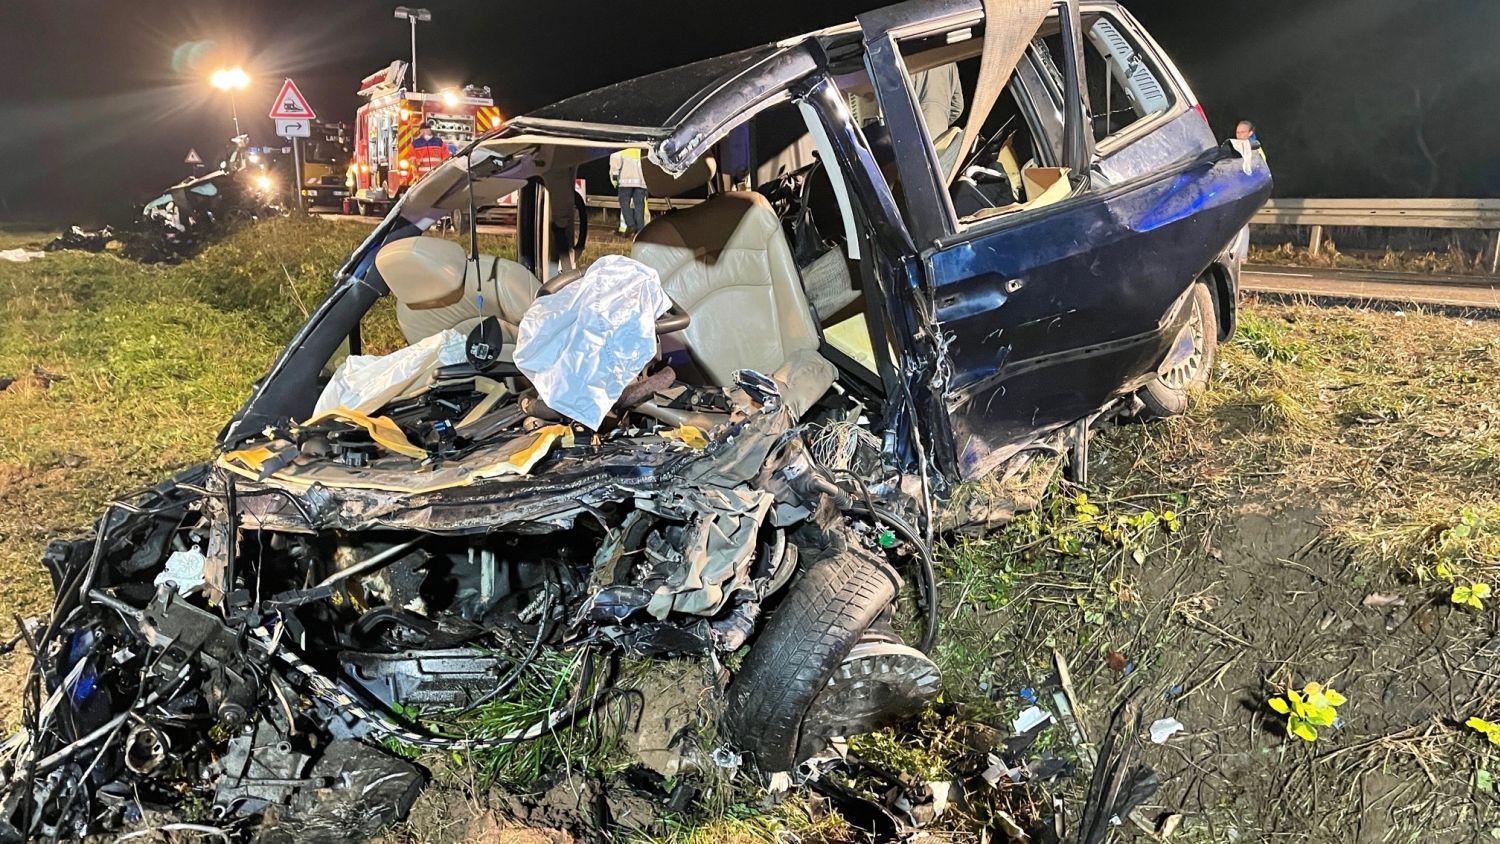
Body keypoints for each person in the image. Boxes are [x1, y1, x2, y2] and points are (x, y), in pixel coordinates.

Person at [610, 147, 648, 235]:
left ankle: (631, 225)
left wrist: (614, 180)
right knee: (639, 206)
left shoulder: (622, 148)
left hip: (625, 182)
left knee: (624, 204)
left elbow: (615, 165)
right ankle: (640, 230)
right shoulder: (641, 149)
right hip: (641, 182)